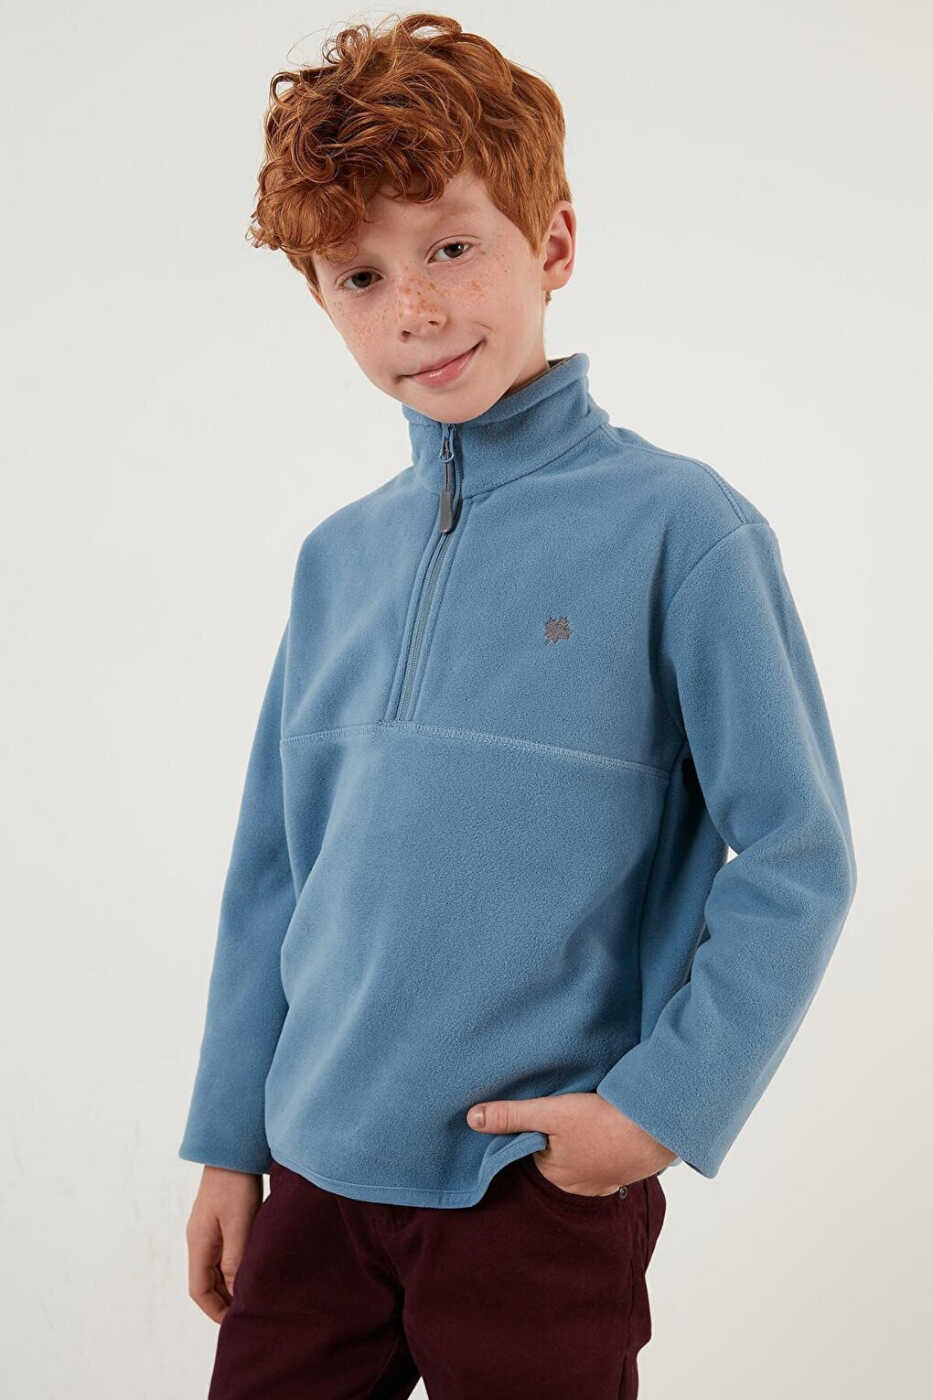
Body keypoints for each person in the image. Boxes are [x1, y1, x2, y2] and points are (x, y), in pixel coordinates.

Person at [178, 13, 858, 1398]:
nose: (415, 309)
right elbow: (273, 873)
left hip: (528, 1186)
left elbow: (797, 855)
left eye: (449, 247)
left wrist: (653, 1114)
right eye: (361, 275)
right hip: (313, 1180)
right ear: (322, 301)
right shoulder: (335, 561)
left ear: (552, 243)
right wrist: (229, 1142)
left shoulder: (682, 529)